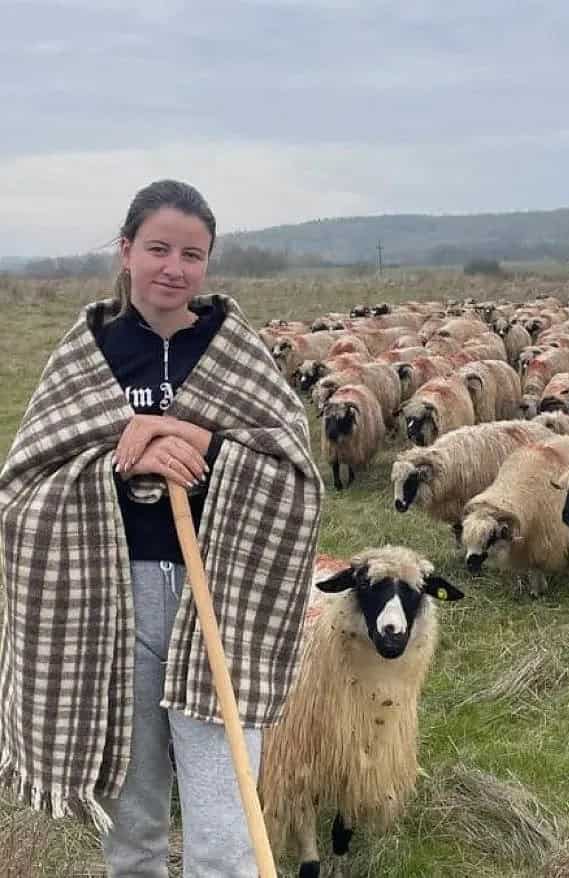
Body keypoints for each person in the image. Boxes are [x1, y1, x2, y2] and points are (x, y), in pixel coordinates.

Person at [0, 180, 323, 877]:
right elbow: (24, 487)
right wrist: (126, 453)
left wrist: (199, 443)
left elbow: (295, 471)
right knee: (135, 812)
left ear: (208, 263)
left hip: (223, 597)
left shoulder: (235, 351)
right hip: (115, 600)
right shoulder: (91, 351)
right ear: (125, 250)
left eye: (192, 254)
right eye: (157, 249)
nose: (173, 267)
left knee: (224, 806)